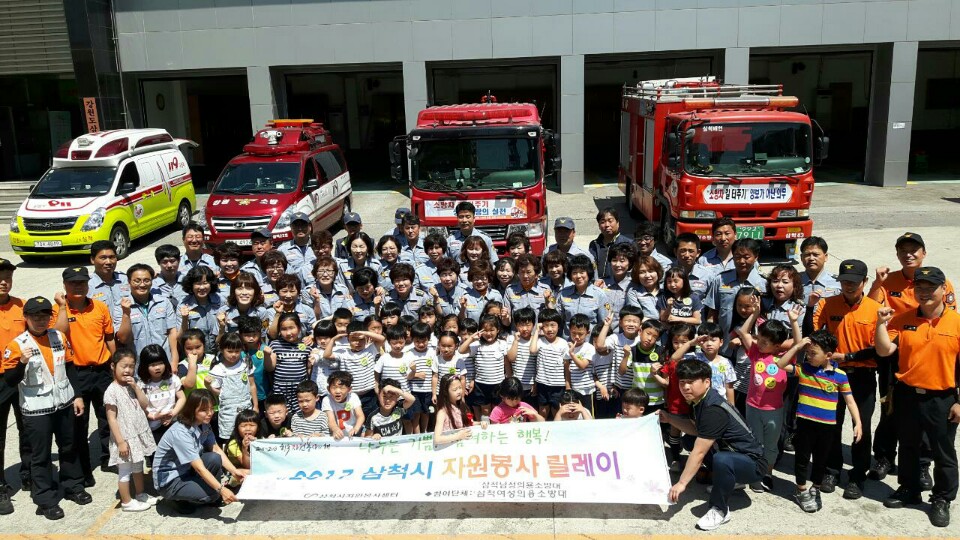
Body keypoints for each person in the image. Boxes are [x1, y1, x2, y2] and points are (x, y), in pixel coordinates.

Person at [875, 266, 959, 528]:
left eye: (930, 288)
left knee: (943, 451)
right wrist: (880, 324)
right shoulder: (903, 319)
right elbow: (884, 350)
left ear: (943, 289)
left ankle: (942, 498)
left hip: (942, 398)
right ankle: (909, 489)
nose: (924, 293)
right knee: (908, 445)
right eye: (919, 288)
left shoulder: (956, 323)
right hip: (908, 395)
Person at [868, 232, 953, 484]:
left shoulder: (940, 281)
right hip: (893, 350)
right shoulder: (889, 280)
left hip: (925, 352)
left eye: (914, 250)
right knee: (890, 408)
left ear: (924, 253)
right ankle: (884, 457)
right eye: (903, 250)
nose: (908, 254)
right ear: (897, 254)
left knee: (924, 413)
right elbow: (869, 309)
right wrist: (877, 283)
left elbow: (947, 317)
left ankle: (923, 465)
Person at [3, 296, 89, 520]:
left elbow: (69, 367)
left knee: (69, 447)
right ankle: (45, 500)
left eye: (45, 316)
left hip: (64, 403)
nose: (40, 321)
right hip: (37, 409)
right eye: (35, 316)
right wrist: (22, 362)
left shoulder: (59, 336)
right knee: (40, 455)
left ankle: (73, 486)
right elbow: (10, 380)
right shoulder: (17, 345)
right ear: (26, 317)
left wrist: (78, 396)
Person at [661, 359, 766, 532]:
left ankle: (720, 510)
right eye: (682, 382)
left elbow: (699, 452)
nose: (685, 387)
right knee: (689, 440)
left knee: (722, 459)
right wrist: (669, 418)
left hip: (753, 464)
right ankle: (729, 480)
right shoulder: (700, 399)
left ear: (707, 382)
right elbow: (696, 430)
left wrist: (681, 483)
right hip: (737, 456)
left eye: (691, 382)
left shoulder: (713, 409)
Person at [811, 259, 882, 500]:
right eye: (844, 282)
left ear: (865, 282)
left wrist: (849, 356)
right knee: (831, 423)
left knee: (861, 426)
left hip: (862, 376)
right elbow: (815, 333)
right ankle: (832, 470)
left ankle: (858, 475)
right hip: (833, 375)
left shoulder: (875, 309)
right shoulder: (828, 304)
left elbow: (879, 349)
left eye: (854, 282)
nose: (849, 286)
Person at [780, 331, 862, 514]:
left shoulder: (840, 375)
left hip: (827, 426)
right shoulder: (804, 369)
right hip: (805, 424)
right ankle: (801, 489)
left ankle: (815, 488)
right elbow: (781, 364)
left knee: (821, 460)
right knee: (802, 458)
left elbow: (850, 401)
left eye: (813, 353)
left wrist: (858, 422)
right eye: (807, 353)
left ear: (828, 355)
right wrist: (797, 346)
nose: (809, 356)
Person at [53, 265, 116, 487]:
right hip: (75, 374)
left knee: (107, 417)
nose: (78, 286)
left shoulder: (99, 307)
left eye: (82, 282)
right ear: (64, 285)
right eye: (72, 283)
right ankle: (84, 469)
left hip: (101, 371)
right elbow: (57, 335)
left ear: (88, 284)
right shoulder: (57, 310)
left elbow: (109, 338)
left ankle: (109, 458)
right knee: (78, 423)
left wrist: (115, 365)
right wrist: (63, 307)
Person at [736, 297, 802, 493]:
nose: (760, 343)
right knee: (755, 442)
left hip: (773, 410)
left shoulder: (784, 358)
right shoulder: (755, 353)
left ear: (777, 345)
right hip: (752, 406)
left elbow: (798, 344)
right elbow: (743, 332)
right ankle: (754, 473)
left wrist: (794, 322)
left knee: (771, 446)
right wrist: (755, 314)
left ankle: (767, 473)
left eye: (765, 342)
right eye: (759, 339)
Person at [153, 389, 248, 514]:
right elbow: (199, 468)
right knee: (213, 494)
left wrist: (234, 471)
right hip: (170, 480)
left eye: (211, 408)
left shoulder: (203, 424)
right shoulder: (181, 432)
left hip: (187, 469)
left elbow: (215, 448)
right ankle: (175, 498)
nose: (209, 413)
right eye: (203, 410)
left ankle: (205, 492)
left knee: (214, 458)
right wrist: (221, 490)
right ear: (192, 410)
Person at [103, 349, 159, 512]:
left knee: (138, 466)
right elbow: (111, 418)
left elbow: (145, 404)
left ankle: (140, 494)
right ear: (113, 366)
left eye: (131, 366)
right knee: (125, 470)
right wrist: (120, 442)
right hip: (125, 437)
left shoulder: (134, 384)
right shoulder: (111, 391)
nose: (127, 370)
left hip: (138, 433)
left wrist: (135, 387)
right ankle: (126, 501)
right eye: (123, 366)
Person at [0, 258, 29, 505]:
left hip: (22, 376)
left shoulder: (22, 306)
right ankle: (0, 487)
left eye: (7, 277)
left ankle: (29, 474)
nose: (3, 282)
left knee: (28, 428)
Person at [704, 238, 767, 336]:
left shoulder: (764, 283)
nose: (741, 261)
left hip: (753, 342)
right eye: (737, 257)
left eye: (746, 257)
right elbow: (712, 313)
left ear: (756, 257)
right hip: (725, 340)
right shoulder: (720, 280)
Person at [122, 263, 179, 369]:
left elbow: (172, 332)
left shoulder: (164, 302)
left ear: (152, 282)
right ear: (129, 282)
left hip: (164, 362)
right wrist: (126, 314)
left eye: (146, 280)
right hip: (138, 365)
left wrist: (174, 360)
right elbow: (123, 339)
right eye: (137, 281)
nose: (142, 284)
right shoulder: (121, 306)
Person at [323, 321, 385, 418]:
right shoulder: (343, 353)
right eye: (353, 340)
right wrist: (333, 339)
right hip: (350, 395)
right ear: (348, 339)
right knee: (353, 419)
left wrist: (364, 332)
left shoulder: (370, 350)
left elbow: (382, 339)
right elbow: (326, 355)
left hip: (369, 394)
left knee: (370, 418)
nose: (358, 343)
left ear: (366, 338)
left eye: (361, 339)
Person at [594, 306, 647, 418]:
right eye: (627, 321)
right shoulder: (615, 338)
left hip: (637, 387)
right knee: (621, 416)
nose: (631, 324)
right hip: (620, 388)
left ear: (640, 324)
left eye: (635, 321)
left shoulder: (641, 340)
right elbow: (599, 346)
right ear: (621, 323)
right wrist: (606, 325)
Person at [205, 332, 257, 444]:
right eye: (230, 351)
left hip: (245, 409)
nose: (233, 355)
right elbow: (218, 392)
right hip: (228, 413)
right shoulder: (218, 369)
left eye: (237, 351)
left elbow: (252, 385)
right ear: (222, 350)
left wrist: (256, 406)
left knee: (247, 437)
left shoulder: (245, 364)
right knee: (230, 440)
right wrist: (208, 385)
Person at [459, 314, 509, 420]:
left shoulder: (502, 344)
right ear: (480, 331)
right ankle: (486, 427)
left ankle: (495, 426)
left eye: (492, 330)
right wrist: (471, 338)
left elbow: (506, 363)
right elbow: (461, 350)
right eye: (485, 330)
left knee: (497, 409)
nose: (488, 333)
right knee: (485, 410)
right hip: (481, 384)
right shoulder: (477, 344)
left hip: (498, 383)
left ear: (498, 330)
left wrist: (509, 377)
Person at [137, 344, 186, 447]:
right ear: (145, 366)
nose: (157, 367)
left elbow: (182, 398)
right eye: (153, 365)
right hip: (152, 428)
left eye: (160, 363)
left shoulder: (172, 379)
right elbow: (140, 408)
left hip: (173, 423)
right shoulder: (142, 385)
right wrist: (154, 417)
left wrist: (172, 414)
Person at [265, 313, 310, 414]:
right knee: (283, 414)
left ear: (299, 328)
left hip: (300, 389)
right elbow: (269, 368)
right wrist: (267, 355)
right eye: (284, 329)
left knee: (301, 414)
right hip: (280, 388)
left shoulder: (306, 346)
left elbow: (309, 369)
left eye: (291, 328)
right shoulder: (275, 345)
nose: (288, 333)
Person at [179, 265, 227, 357]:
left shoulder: (221, 301)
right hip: (195, 356)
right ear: (191, 285)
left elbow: (224, 333)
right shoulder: (184, 305)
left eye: (205, 283)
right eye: (197, 283)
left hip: (219, 354)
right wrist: (184, 319)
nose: (201, 287)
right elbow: (180, 338)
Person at [530, 308, 569, 419]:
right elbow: (532, 350)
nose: (550, 329)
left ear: (558, 326)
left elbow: (566, 365)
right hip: (542, 383)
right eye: (546, 326)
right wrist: (536, 331)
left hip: (558, 385)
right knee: (543, 410)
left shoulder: (563, 343)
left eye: (553, 325)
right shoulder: (540, 341)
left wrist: (568, 384)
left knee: (557, 411)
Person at [557, 254, 609, 334]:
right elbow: (558, 319)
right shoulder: (563, 293)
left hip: (590, 340)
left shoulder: (599, 295)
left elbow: (604, 323)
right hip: (568, 339)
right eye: (574, 273)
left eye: (582, 272)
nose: (578, 276)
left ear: (588, 273)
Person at [403, 322, 438, 434]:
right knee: (416, 414)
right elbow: (405, 375)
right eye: (417, 341)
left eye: (424, 341)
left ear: (429, 339)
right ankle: (417, 435)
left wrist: (434, 393)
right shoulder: (408, 354)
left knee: (426, 412)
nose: (421, 344)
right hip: (414, 391)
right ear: (412, 339)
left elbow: (435, 374)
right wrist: (416, 374)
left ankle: (424, 431)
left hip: (428, 390)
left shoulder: (432, 352)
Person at [88, 241, 130, 331]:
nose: (108, 262)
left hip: (127, 332)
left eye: (112, 257)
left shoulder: (126, 280)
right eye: (103, 258)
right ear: (92, 260)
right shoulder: (86, 286)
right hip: (103, 334)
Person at [598, 242, 637, 331]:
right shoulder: (601, 283)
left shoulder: (634, 286)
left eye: (622, 261)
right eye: (614, 260)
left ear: (630, 263)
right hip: (600, 333)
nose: (617, 264)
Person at [505, 307, 538, 407]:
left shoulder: (536, 341)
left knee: (529, 410)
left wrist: (535, 383)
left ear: (533, 325)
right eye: (521, 325)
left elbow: (538, 365)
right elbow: (511, 358)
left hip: (531, 385)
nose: (524, 328)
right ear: (516, 325)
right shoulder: (511, 339)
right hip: (515, 385)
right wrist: (516, 341)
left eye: (528, 325)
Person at [588, 207, 632, 280]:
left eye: (610, 221)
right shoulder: (594, 244)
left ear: (618, 223)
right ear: (599, 225)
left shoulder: (628, 243)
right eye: (602, 222)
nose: (607, 225)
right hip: (599, 284)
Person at [505, 254, 552, 320]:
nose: (525, 276)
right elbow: (507, 321)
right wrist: (505, 317)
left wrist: (548, 301)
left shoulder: (545, 290)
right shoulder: (510, 290)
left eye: (528, 272)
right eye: (522, 272)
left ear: (536, 274)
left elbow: (553, 315)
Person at [566, 314, 596, 414]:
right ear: (569, 330)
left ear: (588, 333)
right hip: (574, 389)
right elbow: (567, 368)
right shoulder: (567, 347)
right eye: (573, 333)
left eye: (580, 334)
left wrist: (572, 354)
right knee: (575, 414)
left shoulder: (589, 348)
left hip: (587, 390)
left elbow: (582, 365)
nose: (577, 337)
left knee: (588, 414)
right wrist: (568, 386)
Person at [433, 373, 473, 447]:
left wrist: (480, 424)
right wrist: (458, 436)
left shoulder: (462, 406)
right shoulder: (442, 412)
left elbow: (468, 423)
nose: (459, 391)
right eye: (455, 389)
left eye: (460, 388)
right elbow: (437, 439)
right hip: (450, 448)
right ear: (446, 392)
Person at [223, 409, 259, 492]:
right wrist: (244, 448)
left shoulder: (259, 439)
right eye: (243, 426)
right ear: (237, 428)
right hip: (236, 473)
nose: (248, 429)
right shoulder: (233, 444)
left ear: (258, 427)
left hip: (253, 469)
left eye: (252, 425)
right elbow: (247, 466)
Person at [323, 370, 365, 439]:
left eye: (342, 388)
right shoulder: (327, 400)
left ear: (349, 389)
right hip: (338, 435)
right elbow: (331, 420)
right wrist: (335, 429)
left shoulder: (353, 397)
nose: (337, 391)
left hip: (356, 433)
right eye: (334, 387)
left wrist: (356, 428)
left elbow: (360, 416)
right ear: (328, 389)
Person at [674, 232, 712, 303]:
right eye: (683, 251)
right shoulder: (665, 272)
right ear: (675, 252)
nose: (687, 255)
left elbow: (712, 303)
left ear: (698, 253)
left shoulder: (707, 275)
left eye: (691, 251)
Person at [278, 212, 316, 278]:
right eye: (296, 226)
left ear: (310, 227)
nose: (300, 229)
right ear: (291, 228)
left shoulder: (317, 245)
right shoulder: (282, 250)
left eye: (303, 225)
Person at [625, 255, 663, 320]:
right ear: (637, 275)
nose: (647, 275)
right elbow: (636, 317)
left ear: (657, 272)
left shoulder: (666, 289)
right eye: (642, 272)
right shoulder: (633, 292)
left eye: (651, 271)